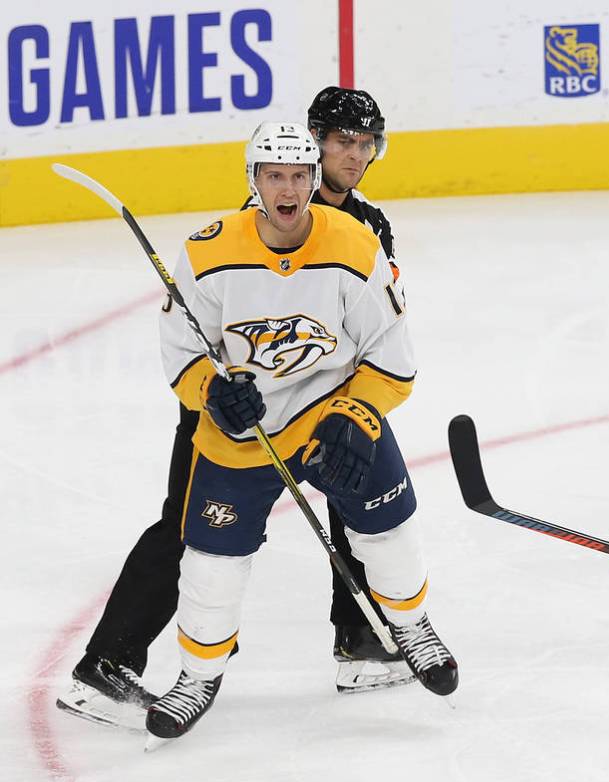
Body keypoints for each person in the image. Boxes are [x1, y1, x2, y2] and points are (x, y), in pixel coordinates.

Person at [58, 88, 412, 729]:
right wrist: (214, 393)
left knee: (353, 494)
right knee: (192, 527)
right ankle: (107, 664)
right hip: (233, 412)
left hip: (322, 397)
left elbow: (376, 320)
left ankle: (360, 641)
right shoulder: (261, 218)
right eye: (340, 142)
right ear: (306, 149)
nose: (354, 156)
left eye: (366, 145)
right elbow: (209, 328)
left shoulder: (367, 225)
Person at [145, 120, 457, 744]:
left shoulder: (355, 244)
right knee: (213, 564)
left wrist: (357, 416)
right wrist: (211, 394)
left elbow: (393, 358)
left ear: (315, 180)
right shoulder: (208, 251)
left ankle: (412, 626)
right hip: (244, 433)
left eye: (298, 175)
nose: (287, 189)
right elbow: (180, 351)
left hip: (333, 412)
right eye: (273, 175)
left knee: (389, 530)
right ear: (253, 181)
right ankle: (198, 675)